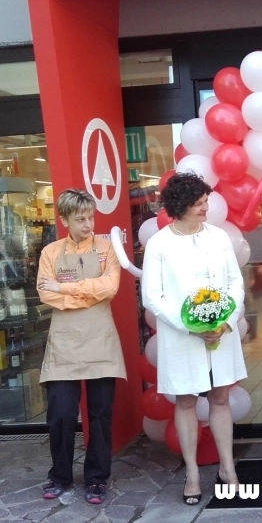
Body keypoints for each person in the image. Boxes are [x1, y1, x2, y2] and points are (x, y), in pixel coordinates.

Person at [142, 173, 246, 505]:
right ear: (181, 205)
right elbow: (152, 296)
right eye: (199, 203)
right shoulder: (159, 243)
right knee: (185, 401)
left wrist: (225, 320)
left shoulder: (218, 237)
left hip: (221, 332)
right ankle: (192, 474)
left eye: (206, 201)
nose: (206, 208)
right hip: (181, 336)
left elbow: (235, 283)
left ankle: (228, 469)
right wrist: (191, 325)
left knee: (220, 398)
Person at [37, 188, 127, 505]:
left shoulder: (106, 249)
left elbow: (110, 287)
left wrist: (64, 289)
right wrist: (88, 295)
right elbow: (45, 294)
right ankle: (60, 475)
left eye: (91, 217)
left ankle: (97, 478)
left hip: (100, 338)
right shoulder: (50, 253)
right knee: (60, 413)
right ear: (64, 220)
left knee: (100, 414)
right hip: (63, 341)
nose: (88, 224)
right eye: (80, 219)